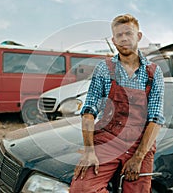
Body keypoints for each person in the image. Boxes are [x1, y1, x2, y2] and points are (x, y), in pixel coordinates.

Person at [70, 14, 165, 193]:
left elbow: (155, 118)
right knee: (81, 189)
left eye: (128, 33)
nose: (124, 38)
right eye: (119, 35)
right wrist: (89, 150)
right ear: (113, 40)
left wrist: (138, 157)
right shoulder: (104, 68)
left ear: (138, 36)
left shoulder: (154, 72)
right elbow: (89, 110)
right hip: (108, 138)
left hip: (140, 142)